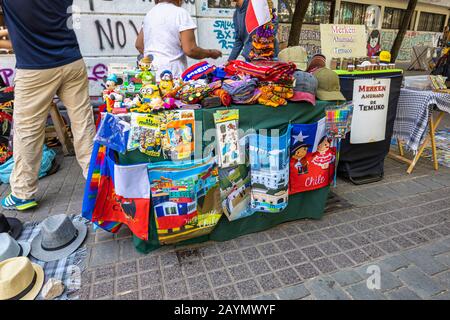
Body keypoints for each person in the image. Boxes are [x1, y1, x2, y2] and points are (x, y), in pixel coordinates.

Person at [0, 0, 96, 211]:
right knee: (83, 124)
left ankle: (23, 193)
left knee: (28, 130)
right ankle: (96, 181)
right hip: (72, 61)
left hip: (34, 68)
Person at [135, 0, 222, 79]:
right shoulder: (180, 13)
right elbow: (190, 50)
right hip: (172, 74)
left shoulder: (150, 14)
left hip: (150, 75)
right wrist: (211, 53)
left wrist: (158, 56)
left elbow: (139, 45)